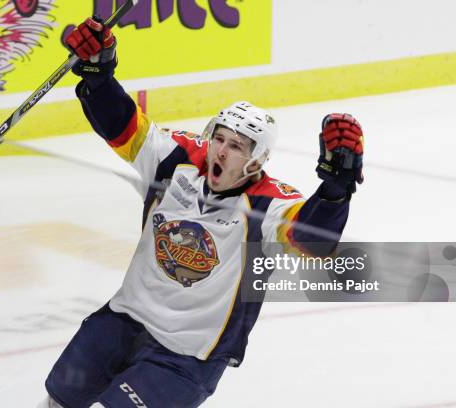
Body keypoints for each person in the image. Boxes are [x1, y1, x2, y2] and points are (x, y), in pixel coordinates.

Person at [38, 16, 364, 408]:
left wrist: (335, 191)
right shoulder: (175, 159)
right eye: (219, 138)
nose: (221, 151)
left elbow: (313, 241)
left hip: (187, 356)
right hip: (123, 321)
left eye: (238, 146)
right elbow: (121, 126)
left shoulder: (268, 205)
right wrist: (99, 75)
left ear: (256, 161)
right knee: (59, 398)